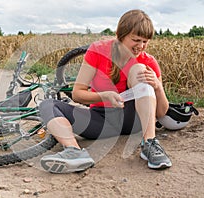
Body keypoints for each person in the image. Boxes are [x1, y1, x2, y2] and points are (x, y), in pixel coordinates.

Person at [39, 9, 172, 173]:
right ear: (120, 35)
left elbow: (161, 112)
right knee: (47, 105)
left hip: (134, 119)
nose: (141, 46)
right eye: (136, 40)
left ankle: (150, 143)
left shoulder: (148, 61)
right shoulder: (98, 50)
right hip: (102, 121)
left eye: (145, 41)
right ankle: (74, 152)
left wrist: (158, 88)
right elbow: (78, 93)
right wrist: (104, 96)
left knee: (138, 69)